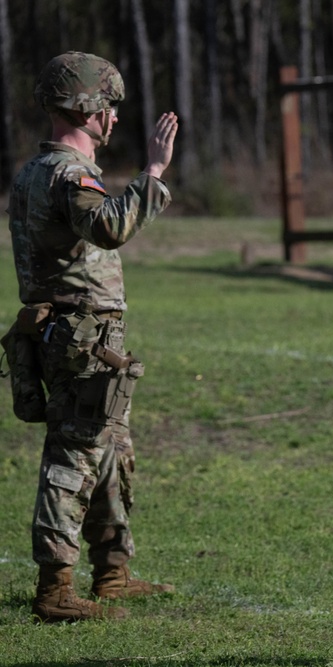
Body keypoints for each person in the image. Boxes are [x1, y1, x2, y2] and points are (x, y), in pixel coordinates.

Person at [4, 51, 178, 622]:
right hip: (81, 336)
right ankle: (56, 588)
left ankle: (112, 572)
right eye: (108, 105)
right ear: (85, 107)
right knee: (74, 456)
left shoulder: (33, 171)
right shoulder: (68, 173)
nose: (114, 118)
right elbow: (109, 227)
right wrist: (152, 173)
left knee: (110, 455)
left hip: (76, 332)